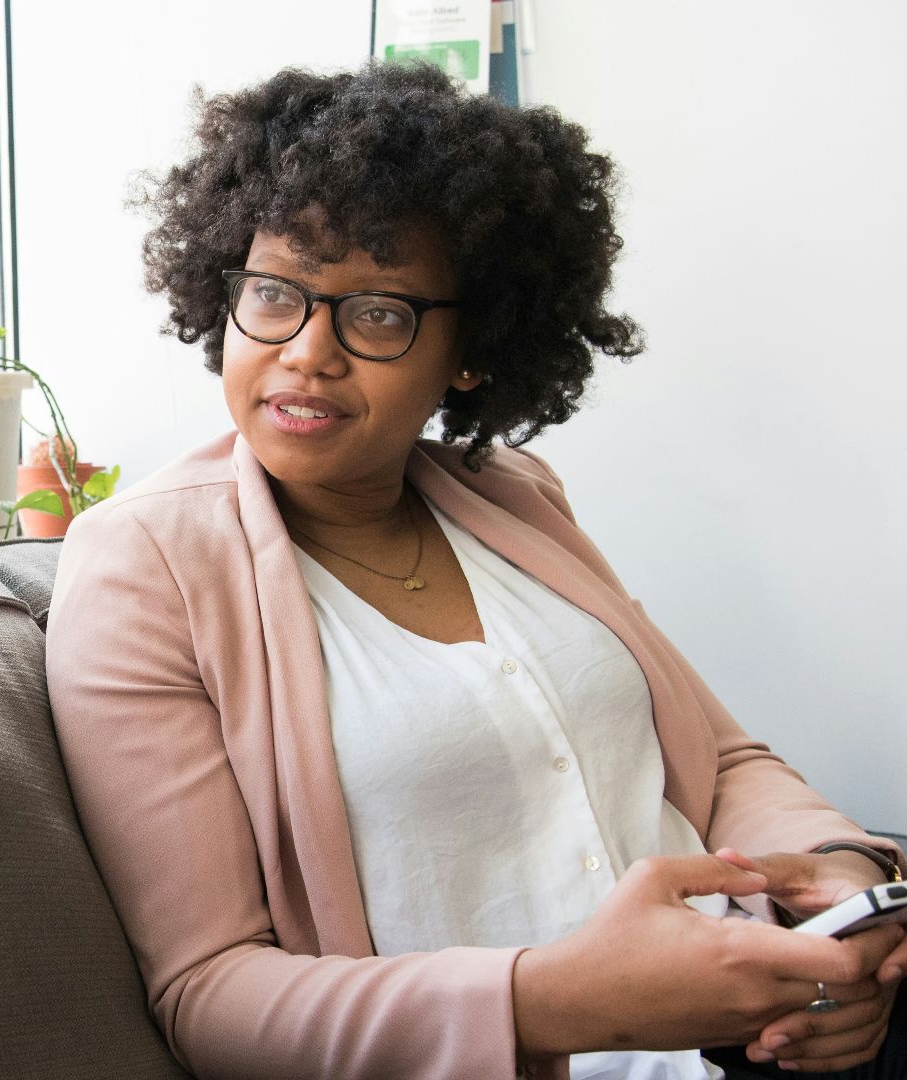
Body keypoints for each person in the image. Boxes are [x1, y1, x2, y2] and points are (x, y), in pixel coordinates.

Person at [44, 63, 904, 1080]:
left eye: (377, 313)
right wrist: (553, 1003)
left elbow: (721, 764)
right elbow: (211, 993)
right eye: (275, 294)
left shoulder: (516, 495)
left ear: (470, 349)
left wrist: (849, 900)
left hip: (755, 1033)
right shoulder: (145, 566)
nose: (307, 353)